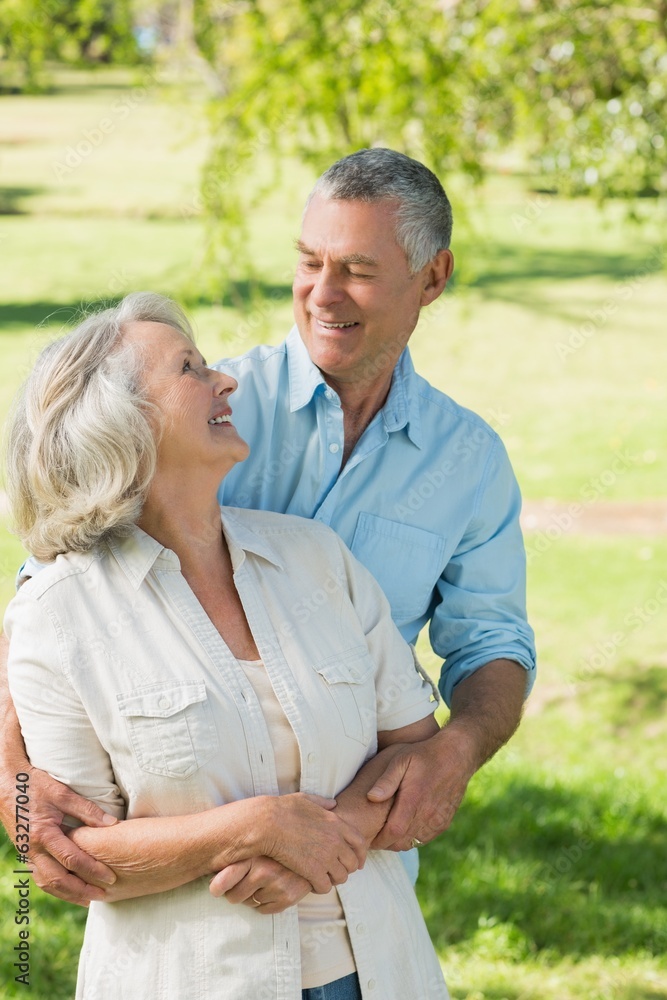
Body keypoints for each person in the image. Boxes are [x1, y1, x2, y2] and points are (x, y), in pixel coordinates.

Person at [0, 147, 535, 905]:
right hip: (186, 878)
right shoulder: (205, 411)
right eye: (309, 262)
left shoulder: (467, 460)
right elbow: (53, 591)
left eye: (357, 269)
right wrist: (11, 770)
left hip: (360, 873)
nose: (323, 293)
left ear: (432, 277)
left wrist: (459, 749)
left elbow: (492, 641)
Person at [3, 293, 449, 999]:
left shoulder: (315, 559)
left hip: (381, 973)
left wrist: (320, 841)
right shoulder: (57, 615)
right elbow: (75, 855)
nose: (226, 381)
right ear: (121, 423)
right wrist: (251, 828)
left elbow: (416, 751)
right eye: (190, 369)